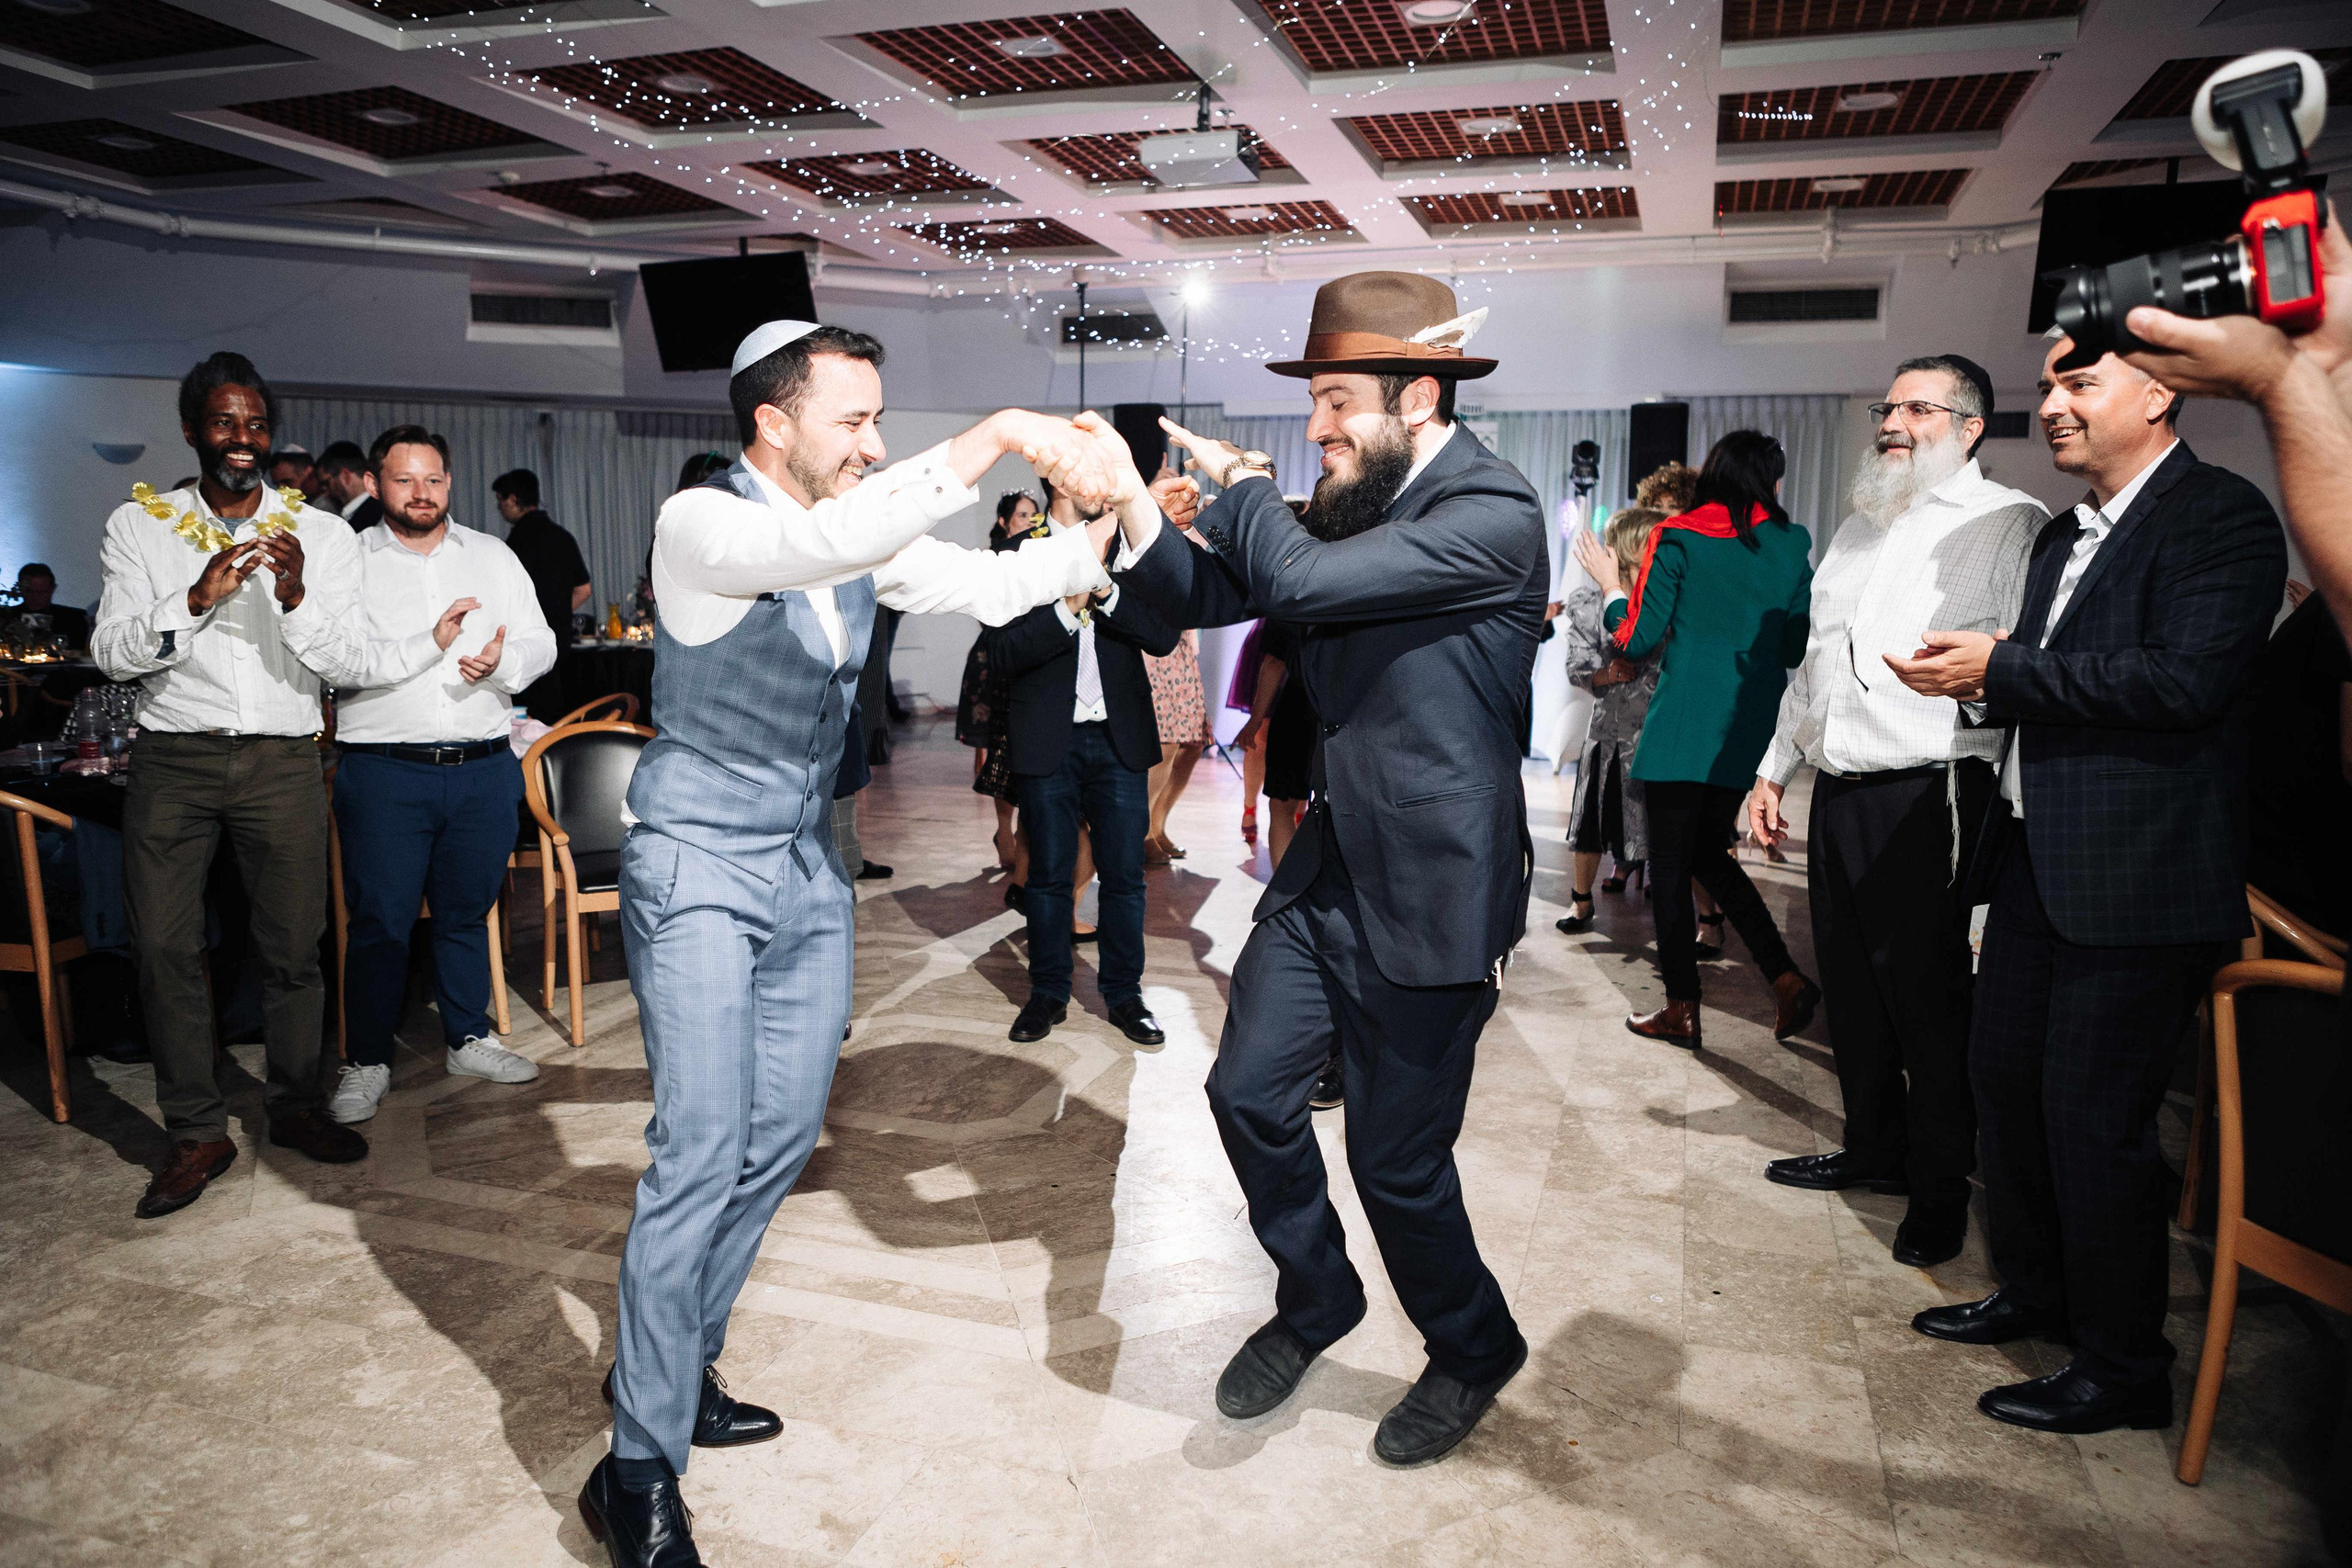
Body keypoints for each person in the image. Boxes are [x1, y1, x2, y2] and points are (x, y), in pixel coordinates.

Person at [583, 319, 1122, 1568]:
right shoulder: (707, 525)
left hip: (806, 864)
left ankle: (679, 1358)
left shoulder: (848, 536)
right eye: (856, 420)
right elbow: (824, 540)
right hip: (702, 858)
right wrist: (988, 440)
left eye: (882, 420)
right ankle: (637, 1463)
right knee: (700, 1147)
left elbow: (986, 586)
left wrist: (1114, 530)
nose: (874, 444)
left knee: (777, 1139)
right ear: (775, 420)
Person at [1111, 271, 1541, 1466]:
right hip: (1332, 869)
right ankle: (1317, 1299)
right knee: (1248, 1092)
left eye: (1336, 400)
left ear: (1417, 391)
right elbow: (1199, 599)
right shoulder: (1356, 497)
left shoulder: (1493, 510)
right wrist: (1140, 523)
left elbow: (1294, 582)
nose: (1316, 428)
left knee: (1396, 1163)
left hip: (1439, 888)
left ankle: (1471, 1343)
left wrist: (1248, 497)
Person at [1885, 329, 2284, 1436]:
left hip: (2136, 877)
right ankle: (2037, 1291)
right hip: (2034, 859)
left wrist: (2002, 667)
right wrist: (1973, 678)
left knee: (2093, 1124)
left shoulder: (2221, 518)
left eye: (2079, 381)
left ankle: (2122, 1365)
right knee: (2005, 1093)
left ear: (2159, 394)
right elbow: (2061, 684)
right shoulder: (2065, 536)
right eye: (2051, 383)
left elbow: (2183, 681)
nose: (2053, 403)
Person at [1745, 356, 2048, 1269]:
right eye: (1889, 406)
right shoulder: (1857, 528)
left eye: (1919, 407)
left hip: (1933, 789)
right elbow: (1814, 665)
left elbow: (2009, 663)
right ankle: (1873, 1149)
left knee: (1927, 1003)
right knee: (1852, 988)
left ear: (1969, 428)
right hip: (1839, 788)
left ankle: (1938, 1189)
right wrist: (1773, 769)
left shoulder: (2008, 523)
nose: (1894, 421)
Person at [92, 351, 370, 1218]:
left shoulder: (321, 536)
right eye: (224, 422)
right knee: (167, 946)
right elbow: (109, 653)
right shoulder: (139, 528)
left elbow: (351, 662)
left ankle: (293, 1106)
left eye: (255, 424)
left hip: (285, 760)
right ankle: (195, 1131)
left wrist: (293, 597)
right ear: (191, 431)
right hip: (174, 758)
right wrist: (194, 597)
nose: (243, 439)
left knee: (294, 947)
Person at [324, 424, 558, 1125]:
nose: (420, 493)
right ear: (374, 484)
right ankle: (366, 1058)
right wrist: (433, 644)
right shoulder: (349, 562)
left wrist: (503, 665)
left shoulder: (492, 556)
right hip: (385, 772)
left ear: (449, 483)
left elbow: (541, 641)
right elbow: (336, 661)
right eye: (404, 479)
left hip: (483, 767)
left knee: (465, 914)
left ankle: (468, 1035)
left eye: (433, 479)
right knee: (380, 924)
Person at [1572, 431, 1820, 1048]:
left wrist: (1610, 588)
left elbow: (1632, 638)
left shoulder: (1677, 536)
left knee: (1674, 865)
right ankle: (1785, 977)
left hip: (1682, 725)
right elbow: (1792, 646)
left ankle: (1682, 1006)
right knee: (1710, 854)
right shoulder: (1792, 544)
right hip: (1747, 727)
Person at [986, 496, 1179, 1047]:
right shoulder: (1019, 552)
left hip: (1119, 740)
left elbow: (1163, 636)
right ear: (1061, 481)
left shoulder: (1132, 548)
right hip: (1049, 738)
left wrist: (1108, 594)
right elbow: (1001, 652)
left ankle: (1125, 995)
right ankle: (1047, 992)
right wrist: (1067, 609)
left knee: (1124, 877)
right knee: (1047, 875)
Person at [1555, 506, 1664, 935]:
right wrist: (1605, 674)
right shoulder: (1589, 601)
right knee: (1591, 824)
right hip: (1609, 732)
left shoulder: (1667, 596)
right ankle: (1582, 904)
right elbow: (1576, 666)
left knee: (1671, 829)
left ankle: (1706, 919)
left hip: (1659, 732)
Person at [958, 491, 1044, 878]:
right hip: (996, 660)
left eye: (1033, 514)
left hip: (1032, 658)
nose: (1028, 520)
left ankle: (1022, 839)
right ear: (1005, 521)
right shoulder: (995, 557)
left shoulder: (1044, 551)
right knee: (1000, 751)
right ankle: (1004, 832)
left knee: (1024, 751)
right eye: (1022, 515)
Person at [493, 468, 592, 723]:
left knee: (526, 723)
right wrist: (558, 611)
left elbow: (503, 598)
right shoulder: (563, 536)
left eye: (500, 500)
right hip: (561, 643)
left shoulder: (515, 543)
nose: (499, 507)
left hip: (526, 645)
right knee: (555, 720)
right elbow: (584, 589)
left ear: (513, 499)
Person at [1235, 619, 1316, 873]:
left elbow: (1274, 661)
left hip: (1300, 704)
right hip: (1347, 706)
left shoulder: (1290, 593)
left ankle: (1286, 896)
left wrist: (1255, 719)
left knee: (1282, 805)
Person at [1142, 628, 1210, 863]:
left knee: (1192, 745)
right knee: (1166, 742)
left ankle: (1157, 826)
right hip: (1151, 641)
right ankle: (1142, 832)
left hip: (1181, 643)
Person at [9, 563, 91, 649]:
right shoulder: (6, 618)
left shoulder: (74, 619)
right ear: (19, 589)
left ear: (52, 589)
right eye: (29, 591)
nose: (35, 597)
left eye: (42, 592)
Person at [316, 440, 382, 532]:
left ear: (345, 475)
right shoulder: (381, 509)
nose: (325, 494)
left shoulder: (370, 519)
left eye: (326, 483)